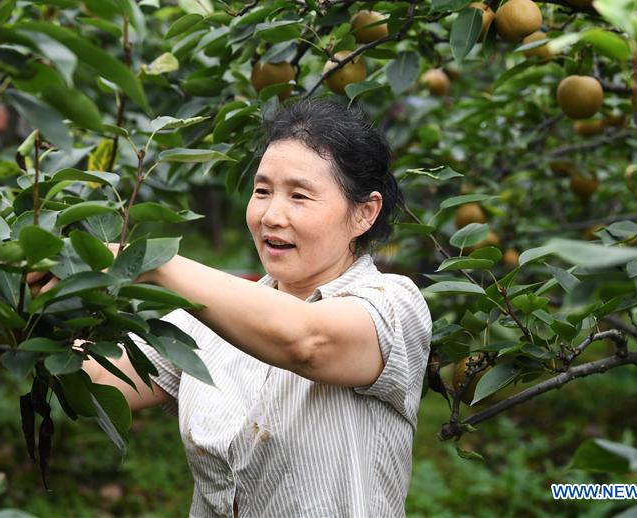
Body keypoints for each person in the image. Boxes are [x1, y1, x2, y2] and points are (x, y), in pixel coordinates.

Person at [29, 97, 432, 517]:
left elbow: (307, 340)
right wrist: (35, 307)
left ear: (364, 213)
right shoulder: (210, 319)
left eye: (299, 196)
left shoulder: (393, 305)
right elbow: (98, 382)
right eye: (262, 191)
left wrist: (155, 263)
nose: (271, 215)